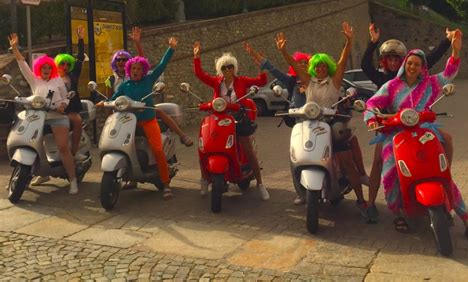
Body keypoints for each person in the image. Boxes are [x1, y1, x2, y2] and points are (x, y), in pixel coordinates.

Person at [363, 34, 468, 241]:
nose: (413, 67)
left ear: (422, 67)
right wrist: (371, 118)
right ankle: (397, 213)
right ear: (405, 64)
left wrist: (456, 51)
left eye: (417, 64)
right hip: (396, 133)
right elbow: (372, 103)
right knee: (390, 168)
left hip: (424, 130)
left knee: (441, 170)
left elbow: (449, 73)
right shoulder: (392, 86)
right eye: (410, 63)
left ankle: (465, 217)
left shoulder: (430, 83)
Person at [275, 22, 369, 217]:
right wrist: (284, 52)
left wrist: (349, 42)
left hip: (331, 123)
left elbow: (343, 62)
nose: (320, 69)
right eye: (317, 66)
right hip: (310, 124)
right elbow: (293, 65)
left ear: (328, 68)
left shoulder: (334, 82)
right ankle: (302, 190)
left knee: (345, 159)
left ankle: (361, 201)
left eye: (324, 66)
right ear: (312, 68)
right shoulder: (308, 82)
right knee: (296, 151)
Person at [98, 37, 178, 199]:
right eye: (133, 68)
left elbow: (162, 66)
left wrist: (171, 48)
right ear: (129, 70)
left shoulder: (148, 80)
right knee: (122, 145)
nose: (135, 71)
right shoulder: (124, 85)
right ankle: (130, 175)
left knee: (157, 149)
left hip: (148, 120)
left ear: (143, 70)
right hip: (128, 122)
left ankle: (166, 183)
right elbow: (114, 98)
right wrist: (104, 103)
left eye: (138, 68)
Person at [193, 41, 270, 200]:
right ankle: (204, 179)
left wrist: (261, 66)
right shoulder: (216, 82)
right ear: (219, 70)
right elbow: (200, 74)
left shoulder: (241, 80)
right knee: (204, 145)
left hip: (238, 117)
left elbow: (261, 82)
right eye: (224, 67)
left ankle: (260, 184)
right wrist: (196, 57)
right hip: (219, 118)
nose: (227, 70)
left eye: (230, 67)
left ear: (234, 68)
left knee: (247, 146)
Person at [8, 34, 78, 195]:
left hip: (56, 116)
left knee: (62, 147)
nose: (46, 70)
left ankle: (73, 179)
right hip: (37, 116)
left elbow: (65, 97)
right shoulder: (35, 80)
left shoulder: (58, 81)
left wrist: (62, 105)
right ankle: (30, 174)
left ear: (52, 69)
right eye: (44, 68)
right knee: (30, 143)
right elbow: (22, 64)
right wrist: (15, 48)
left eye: (49, 68)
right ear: (40, 69)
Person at [31, 26, 88, 186]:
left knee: (76, 120)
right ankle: (41, 171)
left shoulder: (72, 76)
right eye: (61, 63)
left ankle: (75, 152)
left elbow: (80, 60)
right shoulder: (49, 78)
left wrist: (81, 40)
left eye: (66, 64)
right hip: (46, 111)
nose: (64, 66)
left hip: (67, 110)